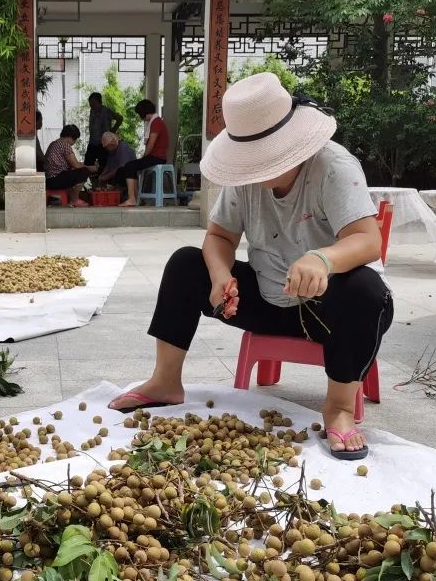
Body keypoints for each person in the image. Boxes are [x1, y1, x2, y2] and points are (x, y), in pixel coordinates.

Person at [107, 73, 393, 461]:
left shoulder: (332, 167)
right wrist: (221, 276)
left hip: (327, 310)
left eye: (265, 160)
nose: (255, 171)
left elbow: (368, 240)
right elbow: (219, 237)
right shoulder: (244, 180)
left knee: (368, 292)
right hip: (263, 299)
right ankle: (165, 382)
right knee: (185, 264)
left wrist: (323, 259)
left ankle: (339, 407)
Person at [115, 99, 169, 207]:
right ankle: (135, 198)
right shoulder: (156, 121)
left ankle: (132, 199)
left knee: (130, 166)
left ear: (143, 113)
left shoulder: (156, 122)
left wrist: (144, 157)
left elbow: (151, 143)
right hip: (156, 156)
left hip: (157, 157)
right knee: (131, 167)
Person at [44, 124, 98, 206]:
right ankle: (74, 200)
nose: (74, 143)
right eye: (75, 139)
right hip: (55, 180)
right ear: (71, 137)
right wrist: (90, 167)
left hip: (48, 180)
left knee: (76, 172)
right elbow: (76, 165)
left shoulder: (54, 143)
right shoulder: (65, 145)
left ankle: (71, 196)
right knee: (84, 172)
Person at [84, 92, 123, 170]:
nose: (91, 105)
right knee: (87, 165)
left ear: (99, 102)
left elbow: (120, 118)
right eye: (90, 103)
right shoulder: (92, 111)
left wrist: (112, 131)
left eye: (92, 102)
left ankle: (102, 180)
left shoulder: (106, 111)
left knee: (104, 166)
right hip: (92, 142)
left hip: (103, 144)